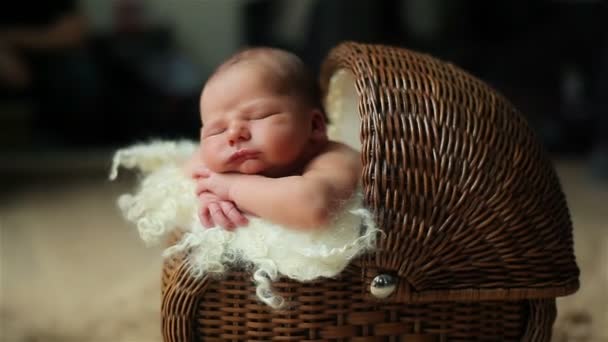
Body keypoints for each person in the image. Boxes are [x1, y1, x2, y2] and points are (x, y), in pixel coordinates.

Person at [183, 47, 361, 231]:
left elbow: (313, 205)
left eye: (259, 116)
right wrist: (210, 193)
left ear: (314, 126)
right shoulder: (230, 160)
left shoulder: (335, 157)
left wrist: (232, 188)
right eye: (217, 130)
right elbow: (195, 167)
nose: (233, 133)